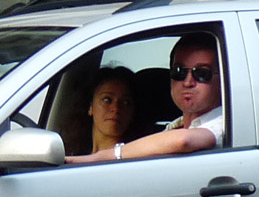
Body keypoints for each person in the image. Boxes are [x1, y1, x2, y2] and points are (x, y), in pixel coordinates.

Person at [66, 33, 224, 163]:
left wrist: (98, 158)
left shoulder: (225, 123)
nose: (188, 82)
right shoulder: (172, 129)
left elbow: (183, 141)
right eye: (179, 72)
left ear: (223, 78)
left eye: (202, 73)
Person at [70, 66, 136, 156]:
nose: (116, 108)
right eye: (107, 100)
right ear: (90, 107)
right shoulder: (72, 157)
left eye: (125, 102)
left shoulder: (138, 162)